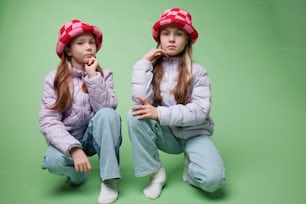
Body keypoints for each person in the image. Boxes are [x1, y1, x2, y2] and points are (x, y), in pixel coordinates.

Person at [127, 8, 226, 199]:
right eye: (166, 33)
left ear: (187, 39)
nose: (171, 39)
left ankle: (192, 164)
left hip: (193, 133)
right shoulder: (151, 68)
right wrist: (143, 63)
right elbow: (140, 101)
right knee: (134, 115)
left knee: (213, 181)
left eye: (178, 34)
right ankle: (156, 174)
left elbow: (200, 111)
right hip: (166, 134)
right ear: (160, 38)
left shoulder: (199, 72)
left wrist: (160, 114)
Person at [39, 19, 121, 204]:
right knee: (53, 161)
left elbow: (106, 111)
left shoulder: (104, 74)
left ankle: (109, 179)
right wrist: (74, 149)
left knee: (108, 115)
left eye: (92, 42)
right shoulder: (53, 79)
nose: (89, 47)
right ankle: (78, 175)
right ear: (68, 49)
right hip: (70, 139)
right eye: (81, 43)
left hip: (95, 138)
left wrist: (93, 77)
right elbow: (48, 121)